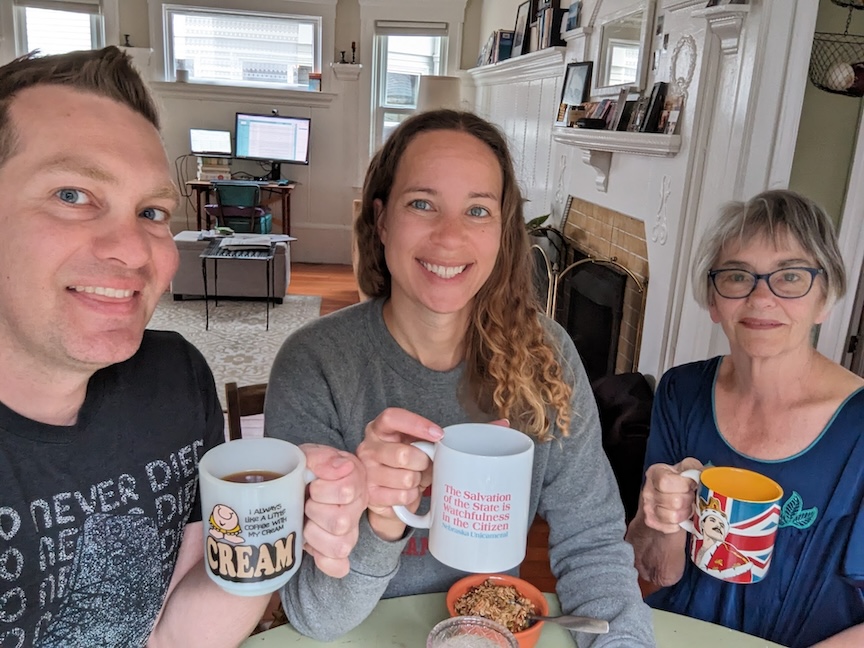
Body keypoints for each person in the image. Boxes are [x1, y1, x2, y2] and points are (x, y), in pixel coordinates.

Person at [0, 47, 367, 647]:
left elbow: (174, 634)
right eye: (71, 195)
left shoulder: (174, 375)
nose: (133, 248)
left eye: (151, 211)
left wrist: (268, 520)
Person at [264, 109, 655, 646]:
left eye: (477, 210)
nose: (450, 237)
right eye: (422, 204)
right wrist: (382, 520)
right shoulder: (315, 364)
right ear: (381, 219)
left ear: (502, 233)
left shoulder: (546, 355)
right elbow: (316, 616)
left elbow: (592, 543)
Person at [625, 190, 864, 647]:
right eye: (737, 276)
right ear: (714, 302)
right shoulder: (681, 392)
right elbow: (657, 571)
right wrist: (659, 517)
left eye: (790, 276)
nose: (761, 297)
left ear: (825, 298)